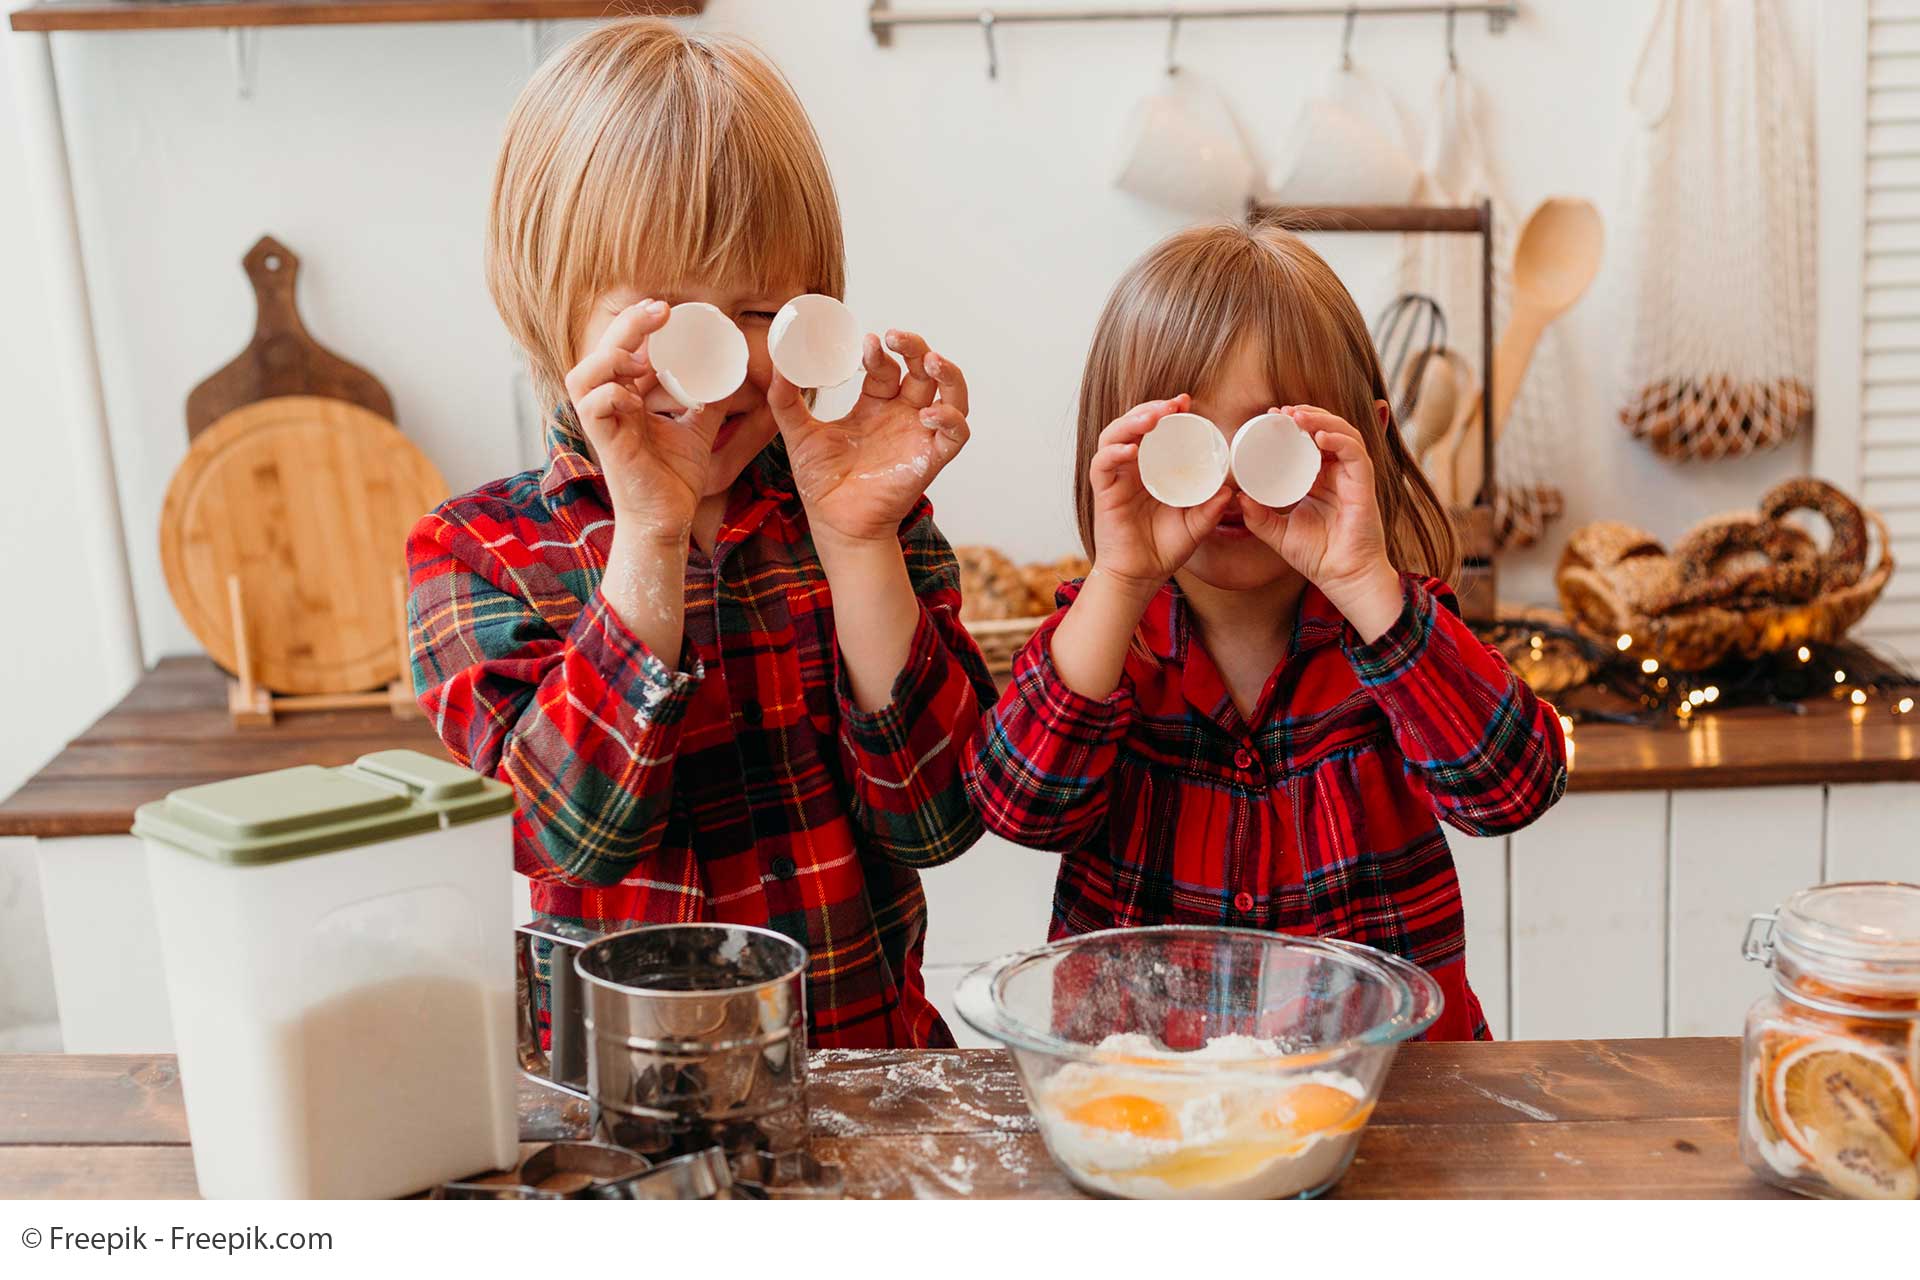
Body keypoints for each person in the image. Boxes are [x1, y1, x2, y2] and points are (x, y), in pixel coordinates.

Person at [408, 20, 994, 1048]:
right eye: (670, 321)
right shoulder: (475, 550)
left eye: (761, 311)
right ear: (554, 310)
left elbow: (942, 816)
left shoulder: (863, 518)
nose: (718, 370)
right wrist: (650, 530)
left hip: (867, 1072)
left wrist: (859, 545)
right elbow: (570, 832)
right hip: (628, 1111)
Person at [964, 221, 1568, 1040]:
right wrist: (1120, 579)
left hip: (1383, 1102)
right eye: (1187, 442)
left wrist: (1362, 579)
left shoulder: (1396, 631)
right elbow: (1019, 807)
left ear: (1366, 444)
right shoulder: (1106, 639)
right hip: (1146, 1100)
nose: (1226, 485)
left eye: (1270, 439)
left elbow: (1512, 788)